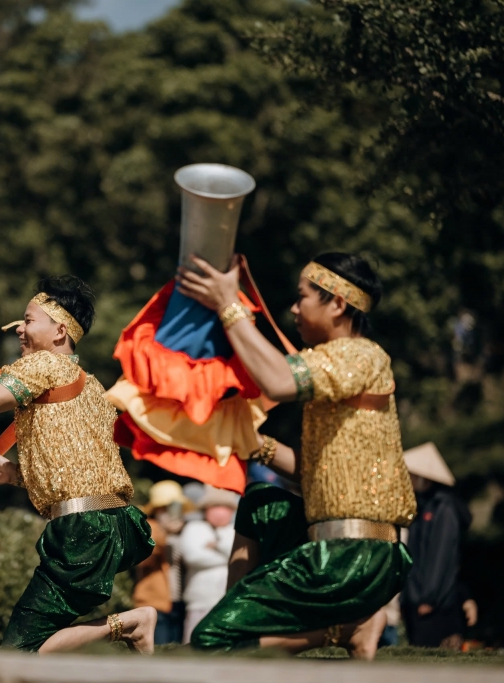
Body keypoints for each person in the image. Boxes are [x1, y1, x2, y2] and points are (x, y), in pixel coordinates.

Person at [175, 252, 417, 659]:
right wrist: (256, 446)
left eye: (302, 297)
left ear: (338, 303)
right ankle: (238, 611)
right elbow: (316, 477)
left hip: (355, 554)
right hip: (338, 540)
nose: (293, 308)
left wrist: (228, 305)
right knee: (258, 502)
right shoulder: (337, 366)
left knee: (212, 641)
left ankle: (345, 630)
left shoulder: (360, 355)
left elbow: (278, 379)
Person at [0, 276, 156, 654]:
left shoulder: (44, 364)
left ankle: (131, 623)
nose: (20, 328)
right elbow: (79, 464)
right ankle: (128, 625)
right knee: (33, 651)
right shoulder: (92, 385)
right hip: (111, 522)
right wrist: (16, 475)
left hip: (83, 527)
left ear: (60, 330)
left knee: (21, 651)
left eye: (29, 320)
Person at [400, 442, 478, 649]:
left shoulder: (443, 509)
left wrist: (429, 598)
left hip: (434, 605)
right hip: (416, 599)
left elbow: (440, 556)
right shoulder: (420, 506)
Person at [134, 480, 191, 645]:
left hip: (177, 601)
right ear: (158, 510)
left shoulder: (182, 532)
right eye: (169, 508)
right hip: (154, 602)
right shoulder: (150, 529)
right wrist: (163, 533)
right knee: (160, 647)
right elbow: (145, 558)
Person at [180, 486, 239, 642]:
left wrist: (217, 546)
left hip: (228, 599)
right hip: (199, 599)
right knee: (194, 642)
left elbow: (240, 555)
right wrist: (228, 558)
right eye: (215, 506)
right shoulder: (194, 528)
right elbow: (193, 557)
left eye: (226, 507)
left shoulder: (234, 531)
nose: (220, 511)